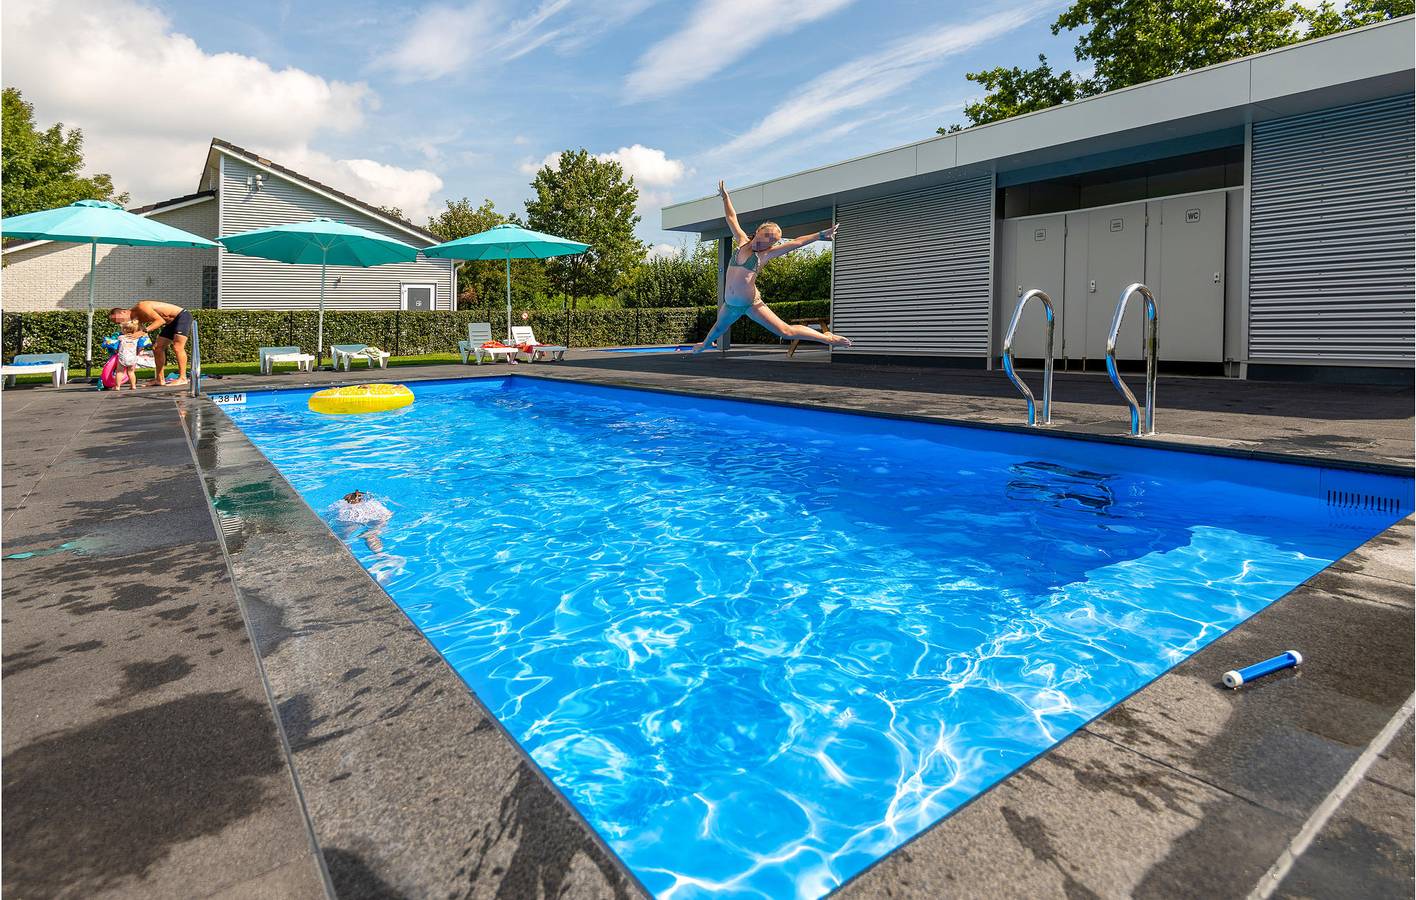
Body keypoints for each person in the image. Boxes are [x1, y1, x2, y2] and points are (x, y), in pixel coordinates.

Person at [693, 181, 852, 355]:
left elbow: (796, 242)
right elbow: (731, 218)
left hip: (751, 303)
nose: (768, 243)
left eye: (772, 241)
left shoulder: (764, 255)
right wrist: (725, 197)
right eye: (767, 237)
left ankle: (827, 337)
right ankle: (705, 344)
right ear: (759, 230)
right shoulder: (741, 241)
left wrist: (820, 235)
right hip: (730, 305)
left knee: (785, 332)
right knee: (717, 330)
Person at [107, 300, 191, 386]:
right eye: (116, 322)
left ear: (123, 312)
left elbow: (160, 321)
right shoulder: (135, 319)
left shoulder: (142, 306)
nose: (119, 323)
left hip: (182, 316)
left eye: (117, 320)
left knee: (177, 347)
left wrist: (142, 332)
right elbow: (137, 336)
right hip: (170, 323)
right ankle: (159, 379)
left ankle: (183, 378)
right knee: (157, 348)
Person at [330, 490, 394, 554]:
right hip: (371, 518)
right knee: (371, 535)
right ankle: (380, 554)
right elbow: (387, 514)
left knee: (344, 539)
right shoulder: (373, 505)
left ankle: (345, 556)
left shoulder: (341, 508)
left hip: (349, 520)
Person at [113, 320, 148, 391]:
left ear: (124, 330)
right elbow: (140, 347)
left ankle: (117, 386)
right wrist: (138, 352)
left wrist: (116, 351)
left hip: (123, 357)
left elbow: (115, 347)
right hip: (132, 357)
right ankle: (133, 385)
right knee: (131, 372)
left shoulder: (120, 338)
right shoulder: (137, 338)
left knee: (119, 372)